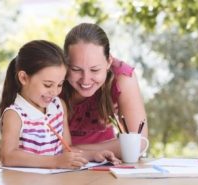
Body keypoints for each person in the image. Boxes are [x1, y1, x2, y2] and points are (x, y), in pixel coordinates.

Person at [0, 40, 120, 169]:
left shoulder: (58, 106)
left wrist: (93, 155)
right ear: (23, 78)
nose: (55, 92)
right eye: (48, 85)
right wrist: (55, 162)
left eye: (60, 84)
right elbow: (8, 156)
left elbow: (65, 149)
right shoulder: (15, 114)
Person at [62, 23, 148, 158]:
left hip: (105, 161)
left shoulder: (122, 77)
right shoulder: (52, 76)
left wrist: (74, 150)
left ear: (109, 62)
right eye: (76, 69)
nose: (85, 80)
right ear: (65, 64)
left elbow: (138, 143)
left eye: (95, 70)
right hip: (58, 163)